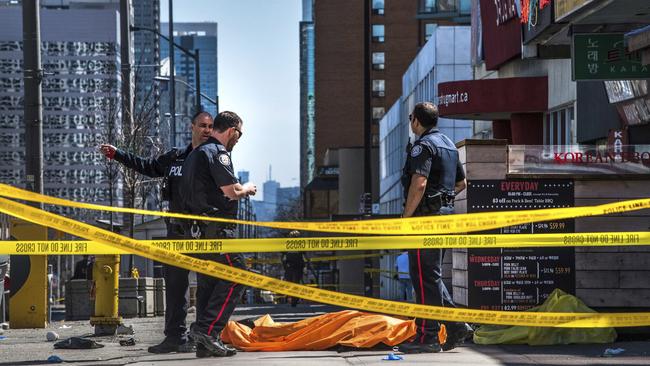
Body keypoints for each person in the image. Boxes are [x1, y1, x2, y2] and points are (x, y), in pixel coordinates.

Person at [98, 111, 214, 354]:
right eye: (202, 125)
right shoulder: (175, 157)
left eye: (210, 126)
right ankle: (175, 338)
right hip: (177, 231)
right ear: (192, 126)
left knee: (207, 285)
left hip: (205, 232)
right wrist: (118, 154)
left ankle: (205, 337)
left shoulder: (213, 158)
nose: (206, 130)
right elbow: (148, 167)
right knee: (175, 286)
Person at [179, 111, 257, 358]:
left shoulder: (194, 154)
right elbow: (231, 192)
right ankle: (207, 331)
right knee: (237, 274)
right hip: (217, 232)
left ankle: (205, 344)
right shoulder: (217, 153)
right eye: (239, 135)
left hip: (198, 233)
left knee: (209, 284)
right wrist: (247, 188)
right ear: (232, 130)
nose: (238, 140)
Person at [398, 102, 472, 354]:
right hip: (444, 217)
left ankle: (427, 336)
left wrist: (407, 218)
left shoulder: (423, 146)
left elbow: (418, 184)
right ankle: (456, 325)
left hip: (425, 220)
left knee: (422, 277)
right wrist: (443, 197)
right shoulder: (449, 145)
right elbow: (462, 183)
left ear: (416, 121)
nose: (411, 122)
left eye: (411, 118)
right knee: (432, 276)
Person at [281, 230, 307, 307]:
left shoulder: (301, 244)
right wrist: (284, 265)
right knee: (290, 283)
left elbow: (304, 254)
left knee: (296, 282)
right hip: (289, 266)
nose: (294, 238)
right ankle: (293, 298)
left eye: (296, 236)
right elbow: (282, 256)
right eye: (293, 236)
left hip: (298, 266)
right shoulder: (287, 244)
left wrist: (305, 265)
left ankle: (294, 300)